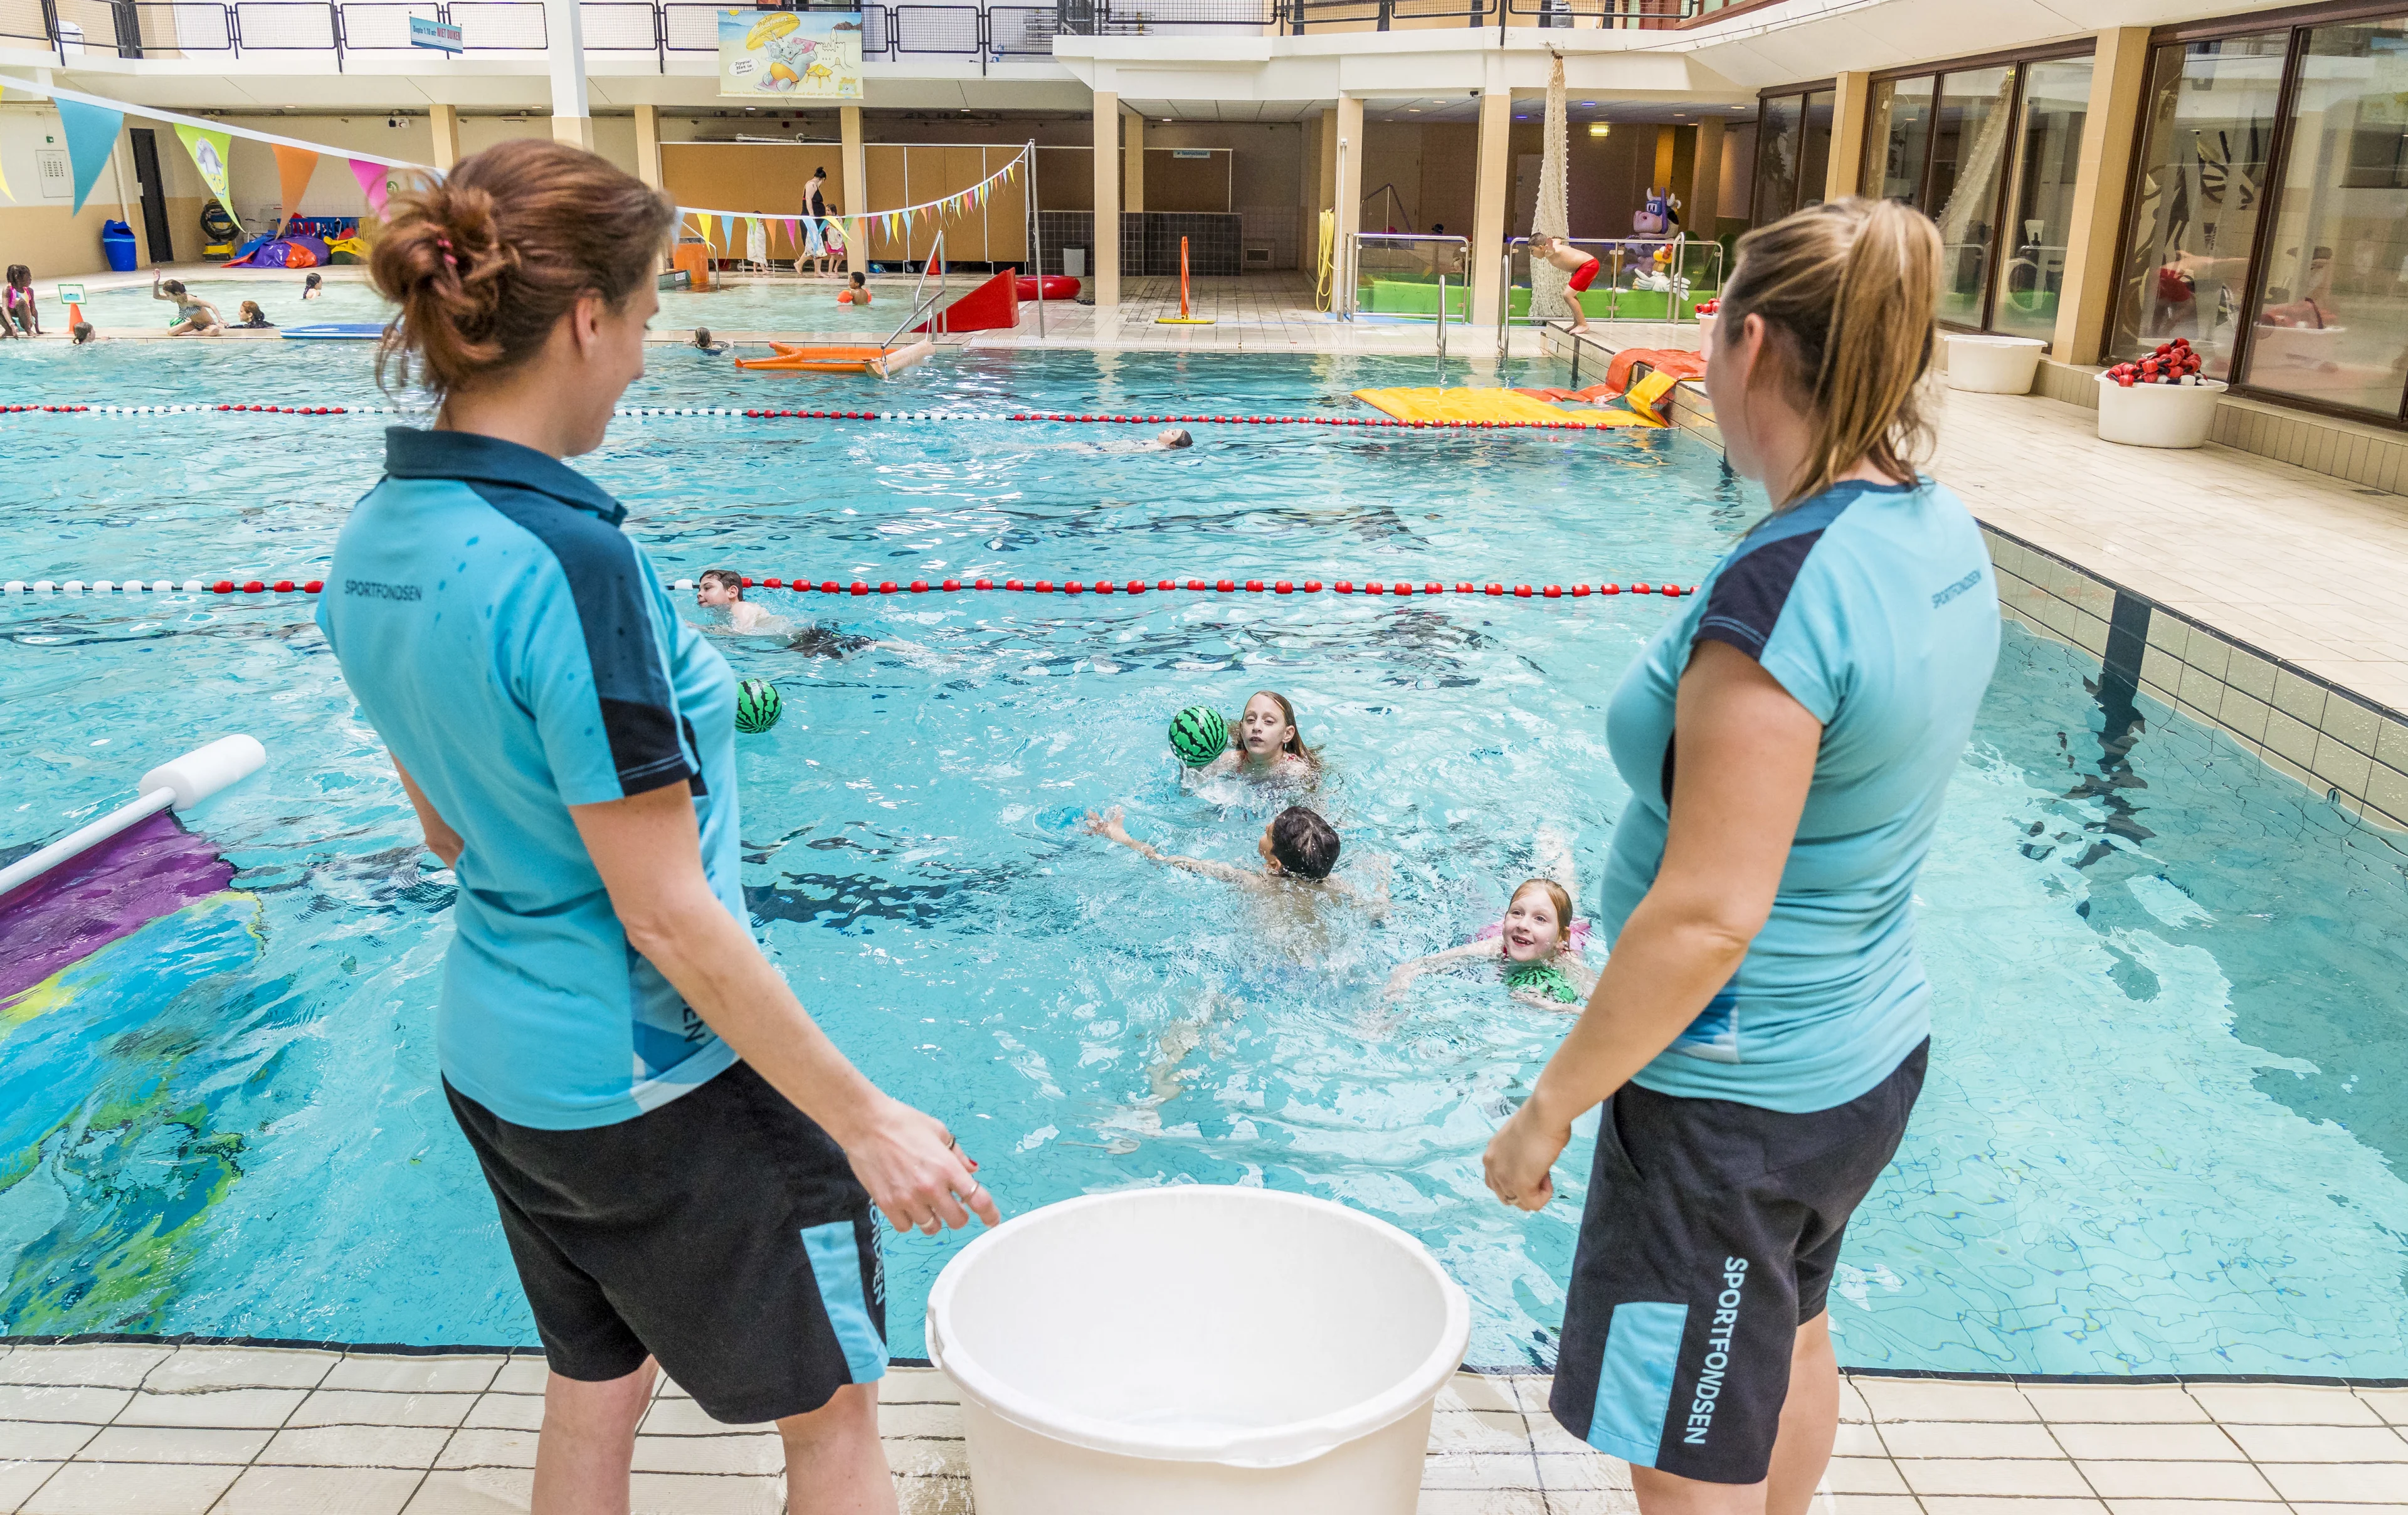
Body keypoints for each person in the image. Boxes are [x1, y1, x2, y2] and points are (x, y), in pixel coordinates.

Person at [317, 137, 995, 1515]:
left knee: (596, 1387)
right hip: (659, 1090)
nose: (638, 362)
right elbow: (665, 911)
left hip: (499, 1072)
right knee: (838, 1421)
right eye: (638, 320)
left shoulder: (374, 537)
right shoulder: (577, 564)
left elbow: (453, 838)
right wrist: (862, 1120)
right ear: (584, 319)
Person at [1481, 197, 1999, 1515]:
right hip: (1865, 1055)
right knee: (1792, 1333)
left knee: (1687, 1421)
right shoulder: (1940, 535)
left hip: (1734, 1099)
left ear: (1750, 342)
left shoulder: (1782, 596)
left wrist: (1551, 1104)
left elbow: (1711, 912)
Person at [1385, 833, 1597, 1010]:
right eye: (1516, 913)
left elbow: (1600, 1009)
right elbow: (1419, 965)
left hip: (1571, 931)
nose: (1523, 924)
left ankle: (1555, 843)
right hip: (1505, 930)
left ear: (1562, 938)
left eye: (1540, 919)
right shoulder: (1496, 946)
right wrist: (1400, 984)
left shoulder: (1567, 962)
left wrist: (1551, 1006)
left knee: (1566, 889)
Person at [1082, 804, 1381, 912]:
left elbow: (1172, 861)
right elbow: (1379, 911)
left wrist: (1122, 838)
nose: (1264, 829)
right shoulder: (1335, 884)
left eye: (1268, 832)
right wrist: (1383, 883)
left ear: (1274, 864)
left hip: (1268, 967)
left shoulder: (1253, 882)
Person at [1190, 690, 1317, 781]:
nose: (1256, 727)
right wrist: (1190, 761)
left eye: (1269, 722)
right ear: (1241, 729)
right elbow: (1189, 790)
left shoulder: (1295, 772)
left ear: (1287, 734)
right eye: (1250, 720)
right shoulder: (1230, 762)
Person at [1528, 234, 1598, 335]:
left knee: (1568, 295)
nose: (1531, 254)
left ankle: (1583, 324)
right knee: (1571, 295)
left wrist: (1550, 247)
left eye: (1532, 250)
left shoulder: (1548, 252)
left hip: (1588, 266)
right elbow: (1557, 240)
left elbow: (1552, 251)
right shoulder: (1551, 247)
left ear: (1541, 248)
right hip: (1586, 266)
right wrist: (1553, 241)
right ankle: (1578, 323)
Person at [154, 275, 223, 336]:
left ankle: (195, 333)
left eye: (168, 295)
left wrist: (220, 319)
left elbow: (211, 306)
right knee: (171, 332)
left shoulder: (190, 300)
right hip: (194, 324)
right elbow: (157, 296)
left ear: (177, 293)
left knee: (215, 331)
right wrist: (156, 282)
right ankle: (199, 331)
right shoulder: (178, 299)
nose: (167, 297)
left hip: (208, 325)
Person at [4, 265, 40, 337]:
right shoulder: (8, 290)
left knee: (20, 302)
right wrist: (12, 325)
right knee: (4, 308)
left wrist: (37, 330)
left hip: (26, 323)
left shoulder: (29, 291)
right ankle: (8, 330)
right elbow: (4, 309)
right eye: (28, 277)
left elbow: (34, 310)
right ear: (17, 278)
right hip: (13, 324)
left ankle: (28, 330)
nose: (31, 279)